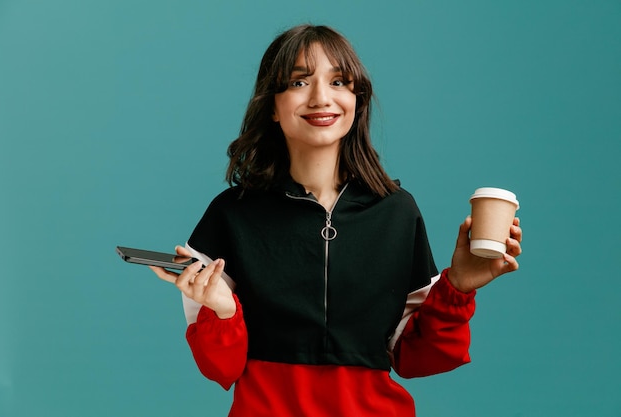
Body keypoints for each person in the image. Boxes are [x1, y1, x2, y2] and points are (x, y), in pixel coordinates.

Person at [150, 24, 522, 417]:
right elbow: (220, 368)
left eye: (339, 81)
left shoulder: (397, 212)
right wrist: (222, 311)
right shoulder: (230, 213)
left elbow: (417, 358)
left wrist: (459, 287)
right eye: (298, 82)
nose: (321, 98)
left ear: (357, 100)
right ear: (272, 107)